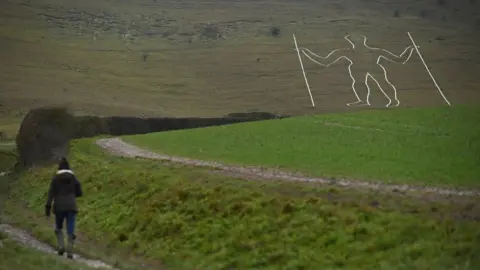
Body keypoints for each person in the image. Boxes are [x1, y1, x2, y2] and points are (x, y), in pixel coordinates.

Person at [45, 157, 83, 259]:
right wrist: (73, 195)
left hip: (59, 207)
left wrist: (48, 207)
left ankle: (61, 246)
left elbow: (51, 194)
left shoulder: (55, 179)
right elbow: (79, 191)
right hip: (71, 206)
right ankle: (70, 250)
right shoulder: (73, 178)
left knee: (59, 227)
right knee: (70, 229)